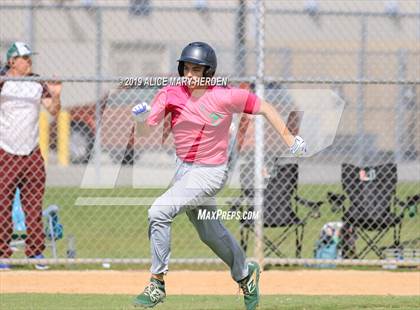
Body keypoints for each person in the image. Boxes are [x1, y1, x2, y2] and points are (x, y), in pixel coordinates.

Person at [131, 42, 306, 309]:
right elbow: (145, 133)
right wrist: (141, 120)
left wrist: (290, 139)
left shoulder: (224, 95)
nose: (189, 74)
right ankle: (246, 275)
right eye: (186, 68)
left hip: (210, 172)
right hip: (183, 171)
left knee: (158, 212)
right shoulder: (171, 93)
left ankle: (157, 284)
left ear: (208, 72)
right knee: (211, 233)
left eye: (196, 69)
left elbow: (265, 107)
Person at [0, 42, 62, 270]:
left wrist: (55, 96)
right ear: (11, 61)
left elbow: (53, 110)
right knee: (2, 205)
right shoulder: (3, 81)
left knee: (34, 205)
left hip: (32, 152)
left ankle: (35, 253)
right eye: (24, 58)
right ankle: (2, 254)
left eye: (29, 58)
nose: (29, 61)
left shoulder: (37, 82)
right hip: (5, 150)